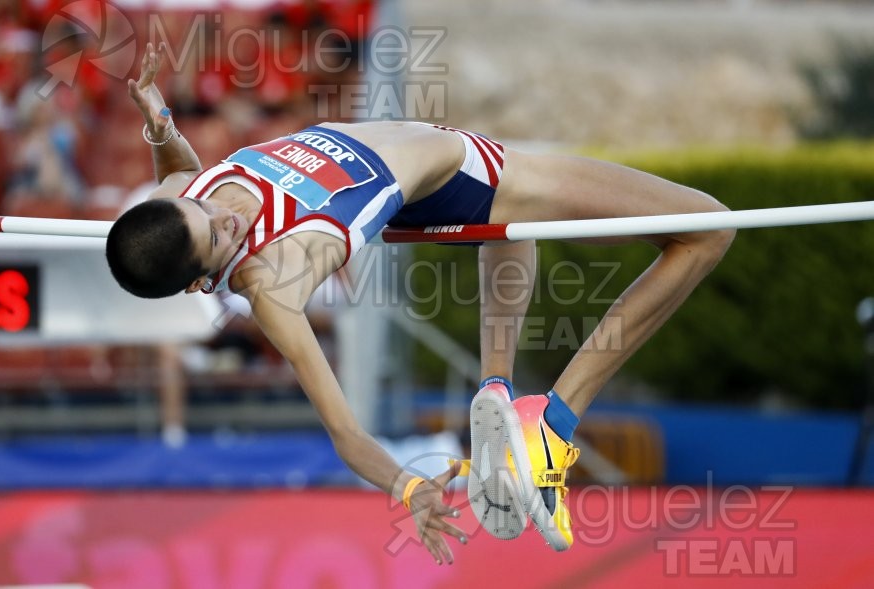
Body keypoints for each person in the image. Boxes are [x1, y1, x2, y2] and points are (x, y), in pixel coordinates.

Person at [106, 43, 734, 564]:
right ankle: (553, 425)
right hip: (470, 171)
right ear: (200, 282)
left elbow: (180, 174)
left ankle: (496, 388)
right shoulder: (273, 283)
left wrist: (159, 123)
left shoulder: (187, 193)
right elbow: (346, 433)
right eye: (216, 236)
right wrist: (406, 487)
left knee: (509, 233)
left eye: (203, 207)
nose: (223, 214)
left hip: (435, 175)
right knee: (709, 228)